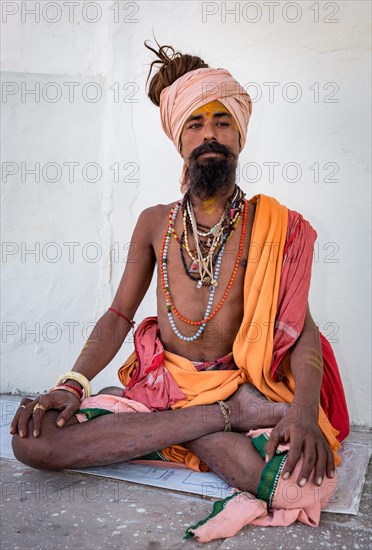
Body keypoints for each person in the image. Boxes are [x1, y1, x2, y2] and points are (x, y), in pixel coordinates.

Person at [10, 43, 349, 540]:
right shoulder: (154, 223)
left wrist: (300, 413)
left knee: (299, 484)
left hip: (244, 380)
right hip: (166, 385)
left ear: (240, 134)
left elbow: (301, 331)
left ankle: (201, 419)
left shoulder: (276, 225)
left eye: (221, 121)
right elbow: (118, 316)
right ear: (179, 139)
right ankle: (224, 418)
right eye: (195, 123)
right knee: (32, 444)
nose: (209, 133)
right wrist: (71, 383)